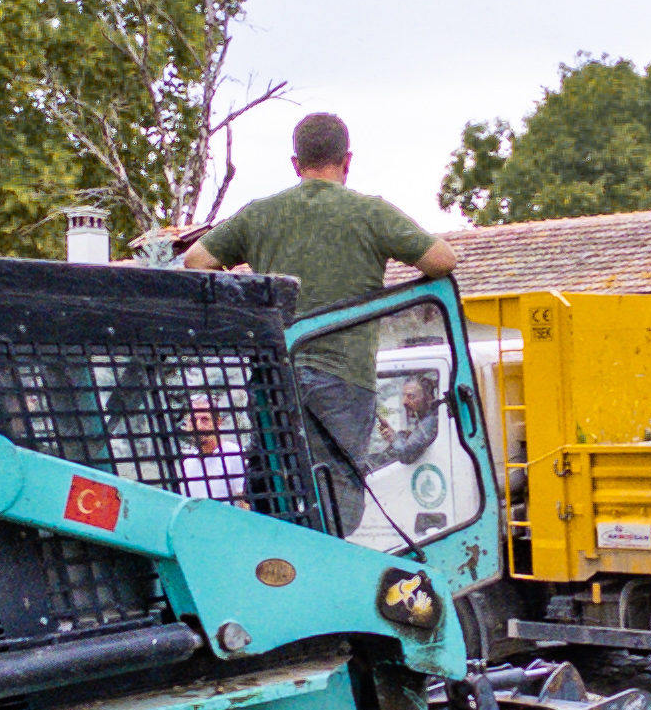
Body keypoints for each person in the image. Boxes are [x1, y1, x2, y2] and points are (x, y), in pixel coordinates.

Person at [186, 112, 456, 531]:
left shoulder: (260, 215)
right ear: (347, 160)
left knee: (275, 495)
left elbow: (196, 260)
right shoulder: (370, 213)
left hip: (276, 379)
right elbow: (443, 260)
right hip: (344, 380)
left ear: (295, 164)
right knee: (335, 503)